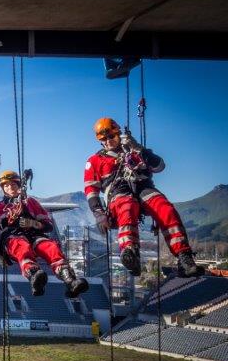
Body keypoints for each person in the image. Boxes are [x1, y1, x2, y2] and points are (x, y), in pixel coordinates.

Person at [85, 117, 201, 277]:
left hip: (143, 187)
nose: (108, 141)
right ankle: (130, 253)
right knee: (127, 206)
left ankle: (184, 257)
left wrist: (138, 148)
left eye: (111, 136)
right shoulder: (95, 161)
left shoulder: (135, 151)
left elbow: (159, 166)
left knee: (165, 208)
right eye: (104, 139)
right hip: (118, 192)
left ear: (118, 133)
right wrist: (99, 214)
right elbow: (91, 190)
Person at [0, 171, 89, 297]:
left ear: (18, 185)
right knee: (22, 246)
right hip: (12, 238)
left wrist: (33, 223)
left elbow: (48, 225)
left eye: (13, 184)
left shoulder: (30, 203)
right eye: (6, 185)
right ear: (3, 188)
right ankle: (34, 274)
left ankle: (69, 279)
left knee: (50, 247)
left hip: (34, 235)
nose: (10, 188)